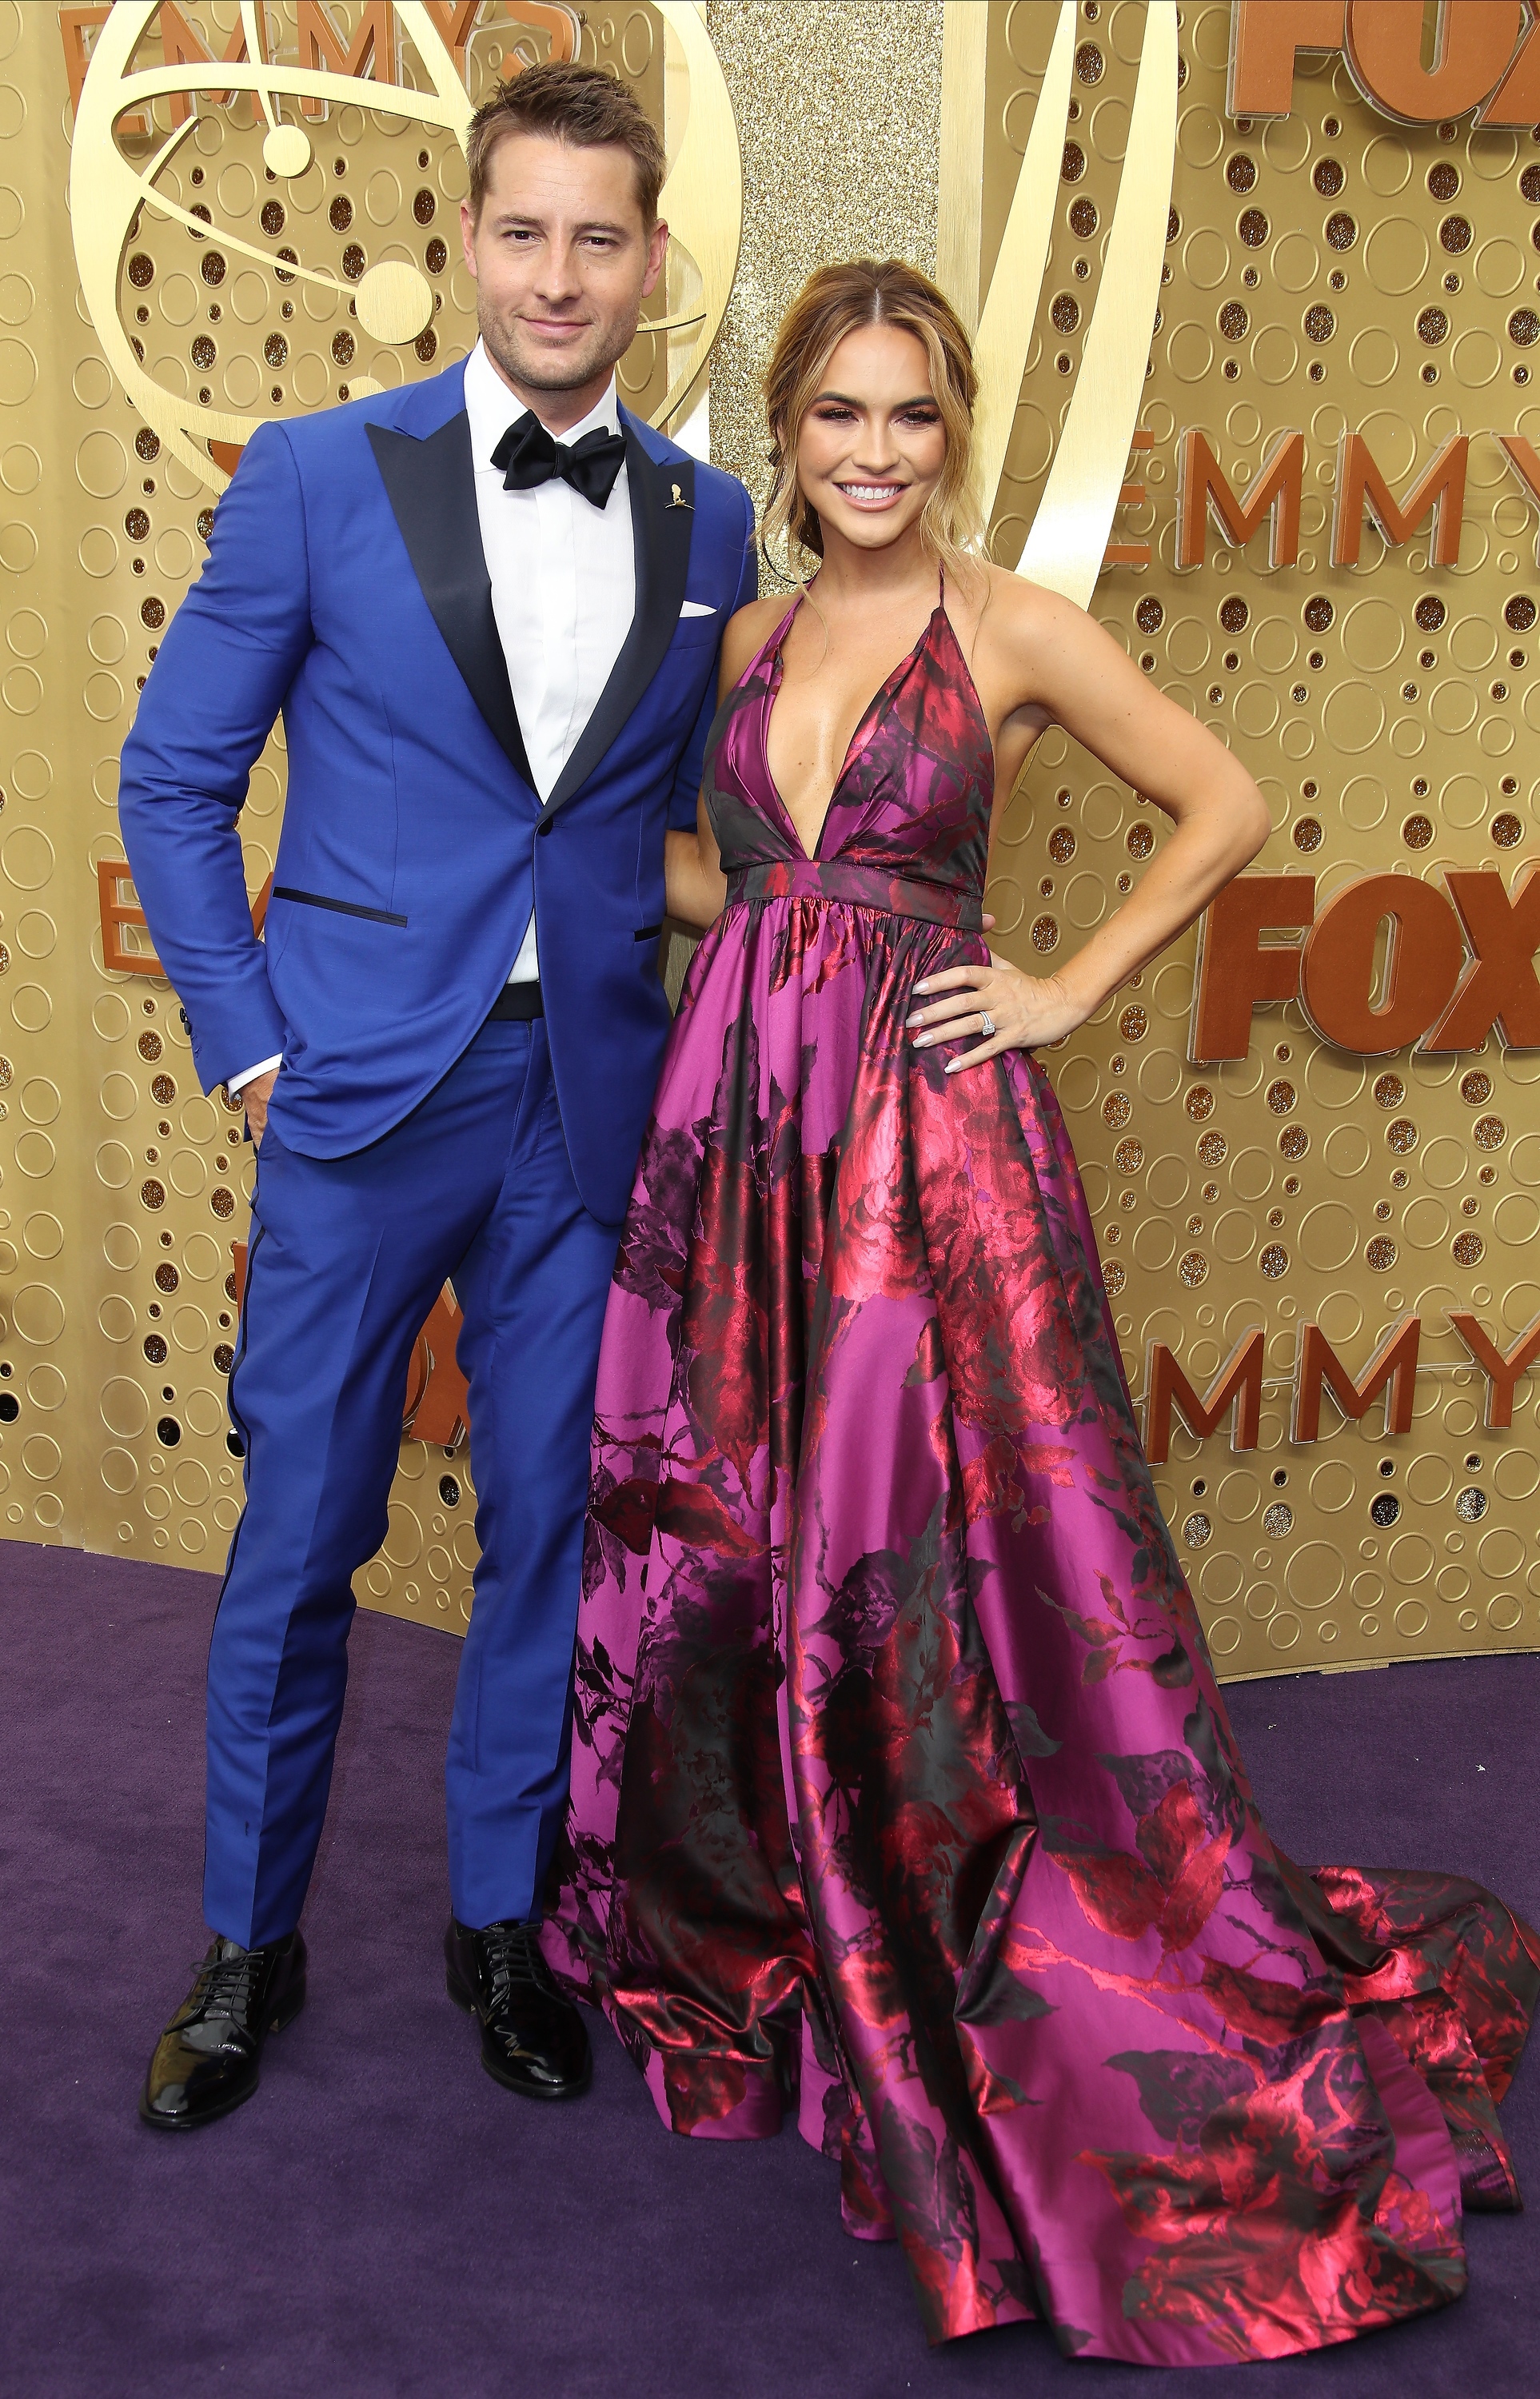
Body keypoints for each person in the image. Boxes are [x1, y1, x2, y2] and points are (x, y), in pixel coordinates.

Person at [545, 259, 1538, 2365]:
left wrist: (1070, 986)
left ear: (953, 431)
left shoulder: (1007, 629)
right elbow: (750, 872)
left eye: (911, 417)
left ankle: (943, 1896)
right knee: (734, 1525)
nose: (875, 453)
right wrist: (631, 896)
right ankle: (778, 1890)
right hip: (741, 1127)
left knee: (906, 1542)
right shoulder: (749, 631)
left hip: (924, 1148)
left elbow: (1230, 802)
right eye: (838, 417)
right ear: (790, 434)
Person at [121, 62, 755, 2130]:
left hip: (584, 1104)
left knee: (551, 1539)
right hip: (361, 1098)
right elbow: (175, 778)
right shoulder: (314, 476)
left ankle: (506, 1925)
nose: (559, 274)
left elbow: (671, 825)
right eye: (523, 229)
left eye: (600, 236)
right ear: (463, 244)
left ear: (651, 263)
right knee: (301, 1533)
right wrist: (251, 1031)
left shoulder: (709, 517)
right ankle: (248, 1946)